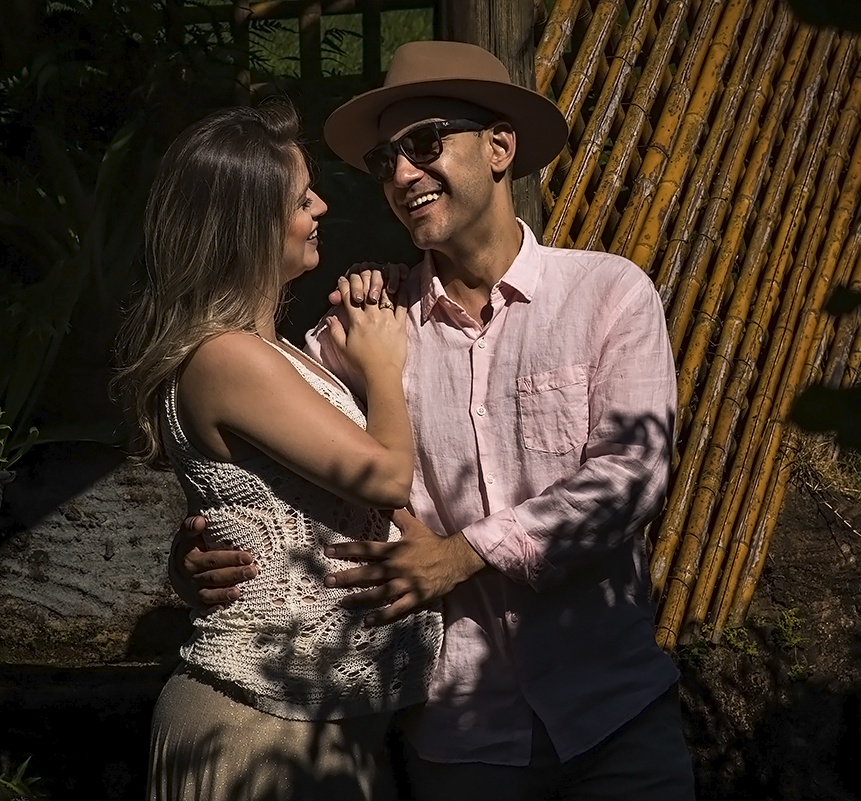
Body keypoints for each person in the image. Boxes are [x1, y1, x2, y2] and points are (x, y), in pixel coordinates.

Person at [173, 42, 696, 800]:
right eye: (386, 159)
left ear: (499, 147)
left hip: (615, 717)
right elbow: (262, 465)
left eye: (424, 145)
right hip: (459, 735)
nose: (401, 175)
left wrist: (465, 554)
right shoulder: (358, 332)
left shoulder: (608, 294)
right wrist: (200, 550)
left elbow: (631, 477)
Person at [112, 101, 441, 801]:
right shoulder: (228, 356)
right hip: (260, 726)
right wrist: (384, 369)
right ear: (249, 226)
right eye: (301, 198)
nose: (321, 205)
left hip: (323, 723)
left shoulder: (277, 353)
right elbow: (383, 476)